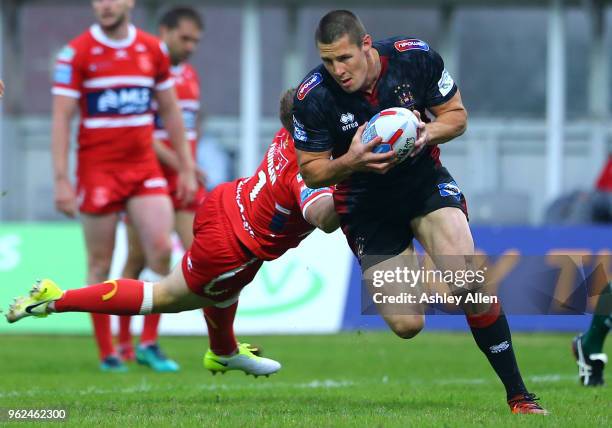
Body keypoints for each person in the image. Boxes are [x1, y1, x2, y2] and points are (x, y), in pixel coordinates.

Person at [292, 10, 547, 415]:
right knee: (408, 325)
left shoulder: (415, 57)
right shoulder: (313, 95)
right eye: (327, 61)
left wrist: (426, 131)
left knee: (468, 280)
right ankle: (427, 268)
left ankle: (519, 397)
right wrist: (352, 161)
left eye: (344, 58)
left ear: (365, 45)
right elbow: (312, 171)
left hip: (422, 184)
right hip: (364, 204)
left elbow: (457, 117)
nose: (337, 70)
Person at [7, 88, 339, 377]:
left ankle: (223, 352)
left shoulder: (294, 132)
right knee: (163, 297)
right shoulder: (305, 169)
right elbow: (323, 218)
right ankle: (56, 300)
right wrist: (356, 180)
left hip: (224, 203)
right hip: (233, 246)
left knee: (225, 291)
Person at [51, 0, 197, 372]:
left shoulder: (150, 49)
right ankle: (109, 352)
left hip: (142, 169)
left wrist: (185, 167)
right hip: (97, 172)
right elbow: (62, 118)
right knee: (100, 263)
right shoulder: (76, 53)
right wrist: (61, 180)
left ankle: (147, 341)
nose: (105, 5)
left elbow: (170, 110)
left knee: (162, 251)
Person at [116, 6, 209, 372]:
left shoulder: (190, 75)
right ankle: (124, 345)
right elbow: (143, 133)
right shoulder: (143, 71)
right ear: (164, 32)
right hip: (145, 179)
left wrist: (189, 167)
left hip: (182, 183)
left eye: (195, 41)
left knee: (199, 257)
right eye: (184, 38)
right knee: (140, 260)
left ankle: (152, 342)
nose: (190, 46)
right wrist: (184, 165)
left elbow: (185, 128)